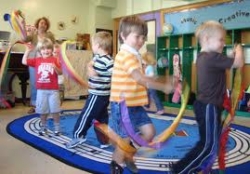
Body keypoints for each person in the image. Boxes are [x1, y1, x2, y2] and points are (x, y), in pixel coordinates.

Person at [170, 20, 244, 173]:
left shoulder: (205, 57)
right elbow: (238, 63)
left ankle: (202, 168)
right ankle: (180, 170)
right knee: (208, 146)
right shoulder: (212, 58)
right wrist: (239, 48)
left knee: (209, 141)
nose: (223, 43)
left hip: (206, 105)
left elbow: (225, 62)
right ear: (206, 39)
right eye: (221, 40)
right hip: (209, 107)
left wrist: (230, 54)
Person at [109, 15, 174, 174]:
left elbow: (145, 76)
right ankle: (116, 163)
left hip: (135, 104)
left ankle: (128, 153)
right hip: (122, 105)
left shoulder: (136, 56)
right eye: (137, 36)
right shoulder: (126, 55)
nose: (141, 40)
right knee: (124, 139)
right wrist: (163, 86)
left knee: (149, 132)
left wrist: (163, 79)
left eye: (143, 37)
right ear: (123, 36)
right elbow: (139, 78)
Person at [65, 31, 114, 149]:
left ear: (97, 45)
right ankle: (104, 141)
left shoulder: (108, 61)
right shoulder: (97, 58)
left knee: (86, 115)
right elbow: (90, 67)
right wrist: (90, 67)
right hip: (101, 95)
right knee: (101, 119)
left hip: (98, 94)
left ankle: (78, 135)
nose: (92, 47)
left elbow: (114, 75)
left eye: (92, 44)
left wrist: (94, 72)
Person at [22, 38, 62, 136]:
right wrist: (27, 51)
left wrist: (55, 68)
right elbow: (24, 62)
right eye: (43, 49)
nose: (46, 51)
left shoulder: (55, 60)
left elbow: (60, 72)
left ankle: (57, 128)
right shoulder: (37, 60)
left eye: (48, 48)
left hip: (53, 91)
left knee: (55, 110)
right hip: (41, 91)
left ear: (51, 50)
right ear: (40, 51)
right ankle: (43, 127)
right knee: (43, 111)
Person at [25, 17, 55, 114]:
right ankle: (34, 105)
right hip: (34, 62)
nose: (43, 25)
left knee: (45, 83)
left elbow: (54, 46)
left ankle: (45, 104)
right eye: (41, 23)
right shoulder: (33, 34)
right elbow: (24, 39)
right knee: (35, 84)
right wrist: (27, 31)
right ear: (37, 24)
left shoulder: (50, 35)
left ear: (47, 26)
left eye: (45, 23)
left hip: (46, 63)